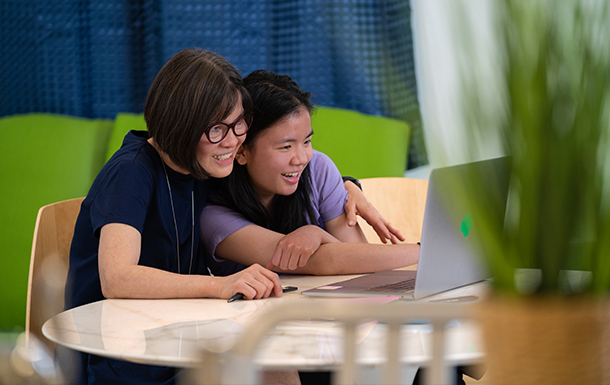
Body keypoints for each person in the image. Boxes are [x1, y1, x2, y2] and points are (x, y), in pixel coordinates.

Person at [64, 49, 400, 385]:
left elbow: (288, 166)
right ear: (181, 126)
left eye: (239, 124)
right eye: (217, 130)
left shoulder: (198, 168)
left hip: (175, 342)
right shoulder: (132, 172)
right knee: (271, 359)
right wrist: (220, 285)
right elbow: (117, 278)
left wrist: (348, 186)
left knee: (278, 351)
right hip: (120, 358)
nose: (233, 142)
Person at [200, 70, 420, 278]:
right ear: (241, 152)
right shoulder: (213, 214)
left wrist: (319, 234)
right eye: (285, 147)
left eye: (306, 142)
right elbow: (321, 261)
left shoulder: (318, 169)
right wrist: (429, 252)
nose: (301, 158)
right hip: (257, 317)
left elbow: (360, 259)